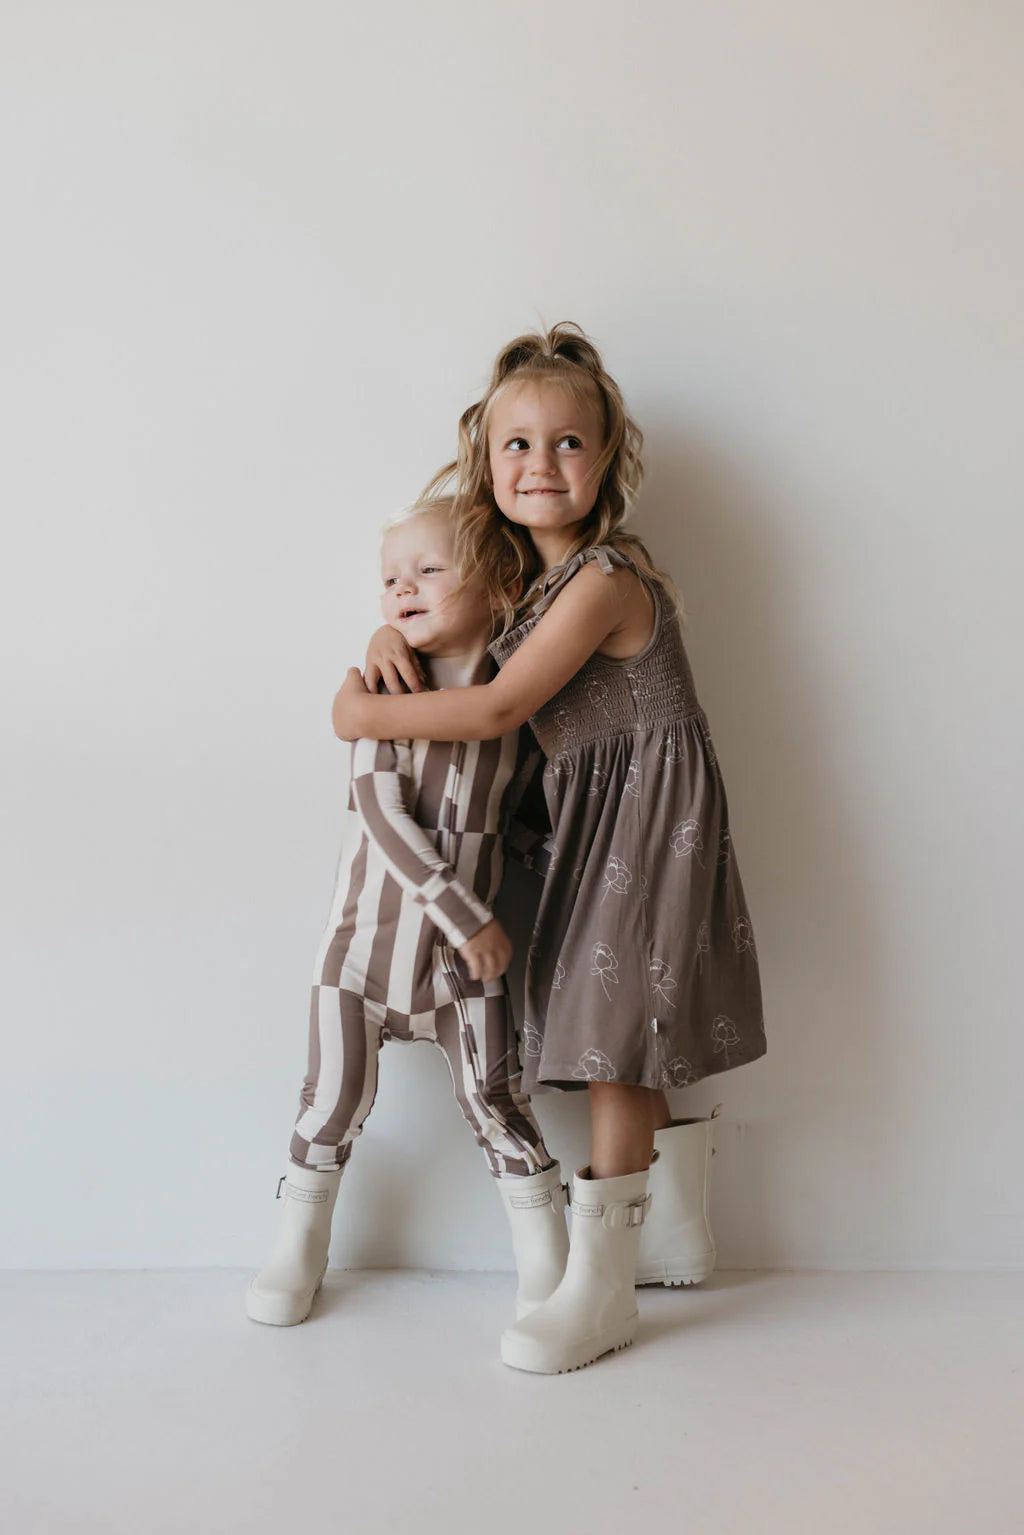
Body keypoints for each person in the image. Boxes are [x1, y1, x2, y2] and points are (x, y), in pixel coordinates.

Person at [337, 323, 766, 1374]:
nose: (541, 465)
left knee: (611, 1025)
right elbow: (438, 625)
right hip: (584, 820)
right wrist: (391, 638)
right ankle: (670, 1235)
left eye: (569, 444)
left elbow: (491, 710)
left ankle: (603, 1284)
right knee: (615, 1013)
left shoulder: (605, 579)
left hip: (647, 817)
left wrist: (352, 711)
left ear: (607, 457)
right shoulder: (518, 587)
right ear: (486, 457)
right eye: (518, 445)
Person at [246, 497, 569, 1330]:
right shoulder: (385, 691)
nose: (403, 589)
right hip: (361, 956)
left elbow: (526, 814)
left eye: (429, 570)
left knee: (498, 1100)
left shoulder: (517, 703)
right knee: (330, 1102)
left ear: (497, 583)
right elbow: (382, 818)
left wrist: (557, 863)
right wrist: (465, 912)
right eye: (391, 577)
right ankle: (298, 1246)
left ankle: (549, 1264)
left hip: (466, 969)